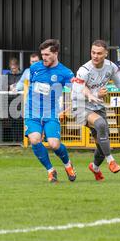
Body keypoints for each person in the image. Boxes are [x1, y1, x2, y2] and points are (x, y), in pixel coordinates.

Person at [72, 40, 120, 181]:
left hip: (98, 106)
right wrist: (92, 95)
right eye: (93, 52)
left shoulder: (111, 67)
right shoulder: (84, 70)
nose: (95, 56)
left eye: (99, 53)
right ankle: (111, 161)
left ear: (106, 54)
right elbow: (82, 90)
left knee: (101, 146)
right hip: (81, 105)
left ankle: (94, 167)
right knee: (101, 124)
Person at [25, 39, 76, 183]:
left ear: (55, 53)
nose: (44, 58)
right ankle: (51, 171)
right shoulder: (35, 68)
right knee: (35, 140)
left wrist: (67, 108)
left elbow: (73, 91)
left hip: (51, 112)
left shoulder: (65, 72)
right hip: (32, 112)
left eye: (47, 54)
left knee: (54, 144)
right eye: (42, 54)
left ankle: (67, 164)